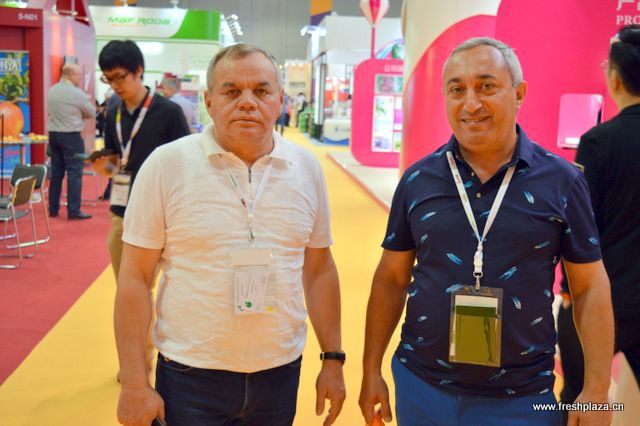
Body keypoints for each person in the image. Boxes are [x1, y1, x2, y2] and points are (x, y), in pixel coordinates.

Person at [359, 37, 614, 426]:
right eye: (457, 90)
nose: (471, 103)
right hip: (421, 386)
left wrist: (596, 390)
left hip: (522, 397)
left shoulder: (562, 182)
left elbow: (589, 286)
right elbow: (391, 279)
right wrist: (371, 370)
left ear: (519, 93)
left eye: (486, 86)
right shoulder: (417, 181)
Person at [114, 43, 346, 426]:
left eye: (262, 90)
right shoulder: (167, 165)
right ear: (209, 101)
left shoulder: (306, 168)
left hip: (281, 371)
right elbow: (135, 278)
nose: (248, 102)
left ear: (280, 100)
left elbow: (320, 268)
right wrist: (135, 382)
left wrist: (333, 359)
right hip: (190, 372)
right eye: (232, 91)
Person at [557, 24, 640, 419]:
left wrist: (567, 290)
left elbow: (580, 225)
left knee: (581, 399)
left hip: (602, 299)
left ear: (615, 79)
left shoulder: (598, 141)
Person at [97, 39, 190, 281]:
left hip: (160, 211)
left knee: (165, 284)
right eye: (108, 78)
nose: (114, 85)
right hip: (122, 208)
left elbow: (186, 162)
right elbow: (113, 158)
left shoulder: (169, 112)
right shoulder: (113, 113)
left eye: (120, 77)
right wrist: (104, 165)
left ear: (138, 70)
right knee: (127, 284)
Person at [47, 63, 95, 220]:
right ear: (70, 75)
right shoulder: (76, 93)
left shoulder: (52, 90)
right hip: (71, 136)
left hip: (54, 135)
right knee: (75, 173)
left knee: (56, 173)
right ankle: (73, 210)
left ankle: (53, 209)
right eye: (79, 75)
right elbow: (91, 112)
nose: (80, 78)